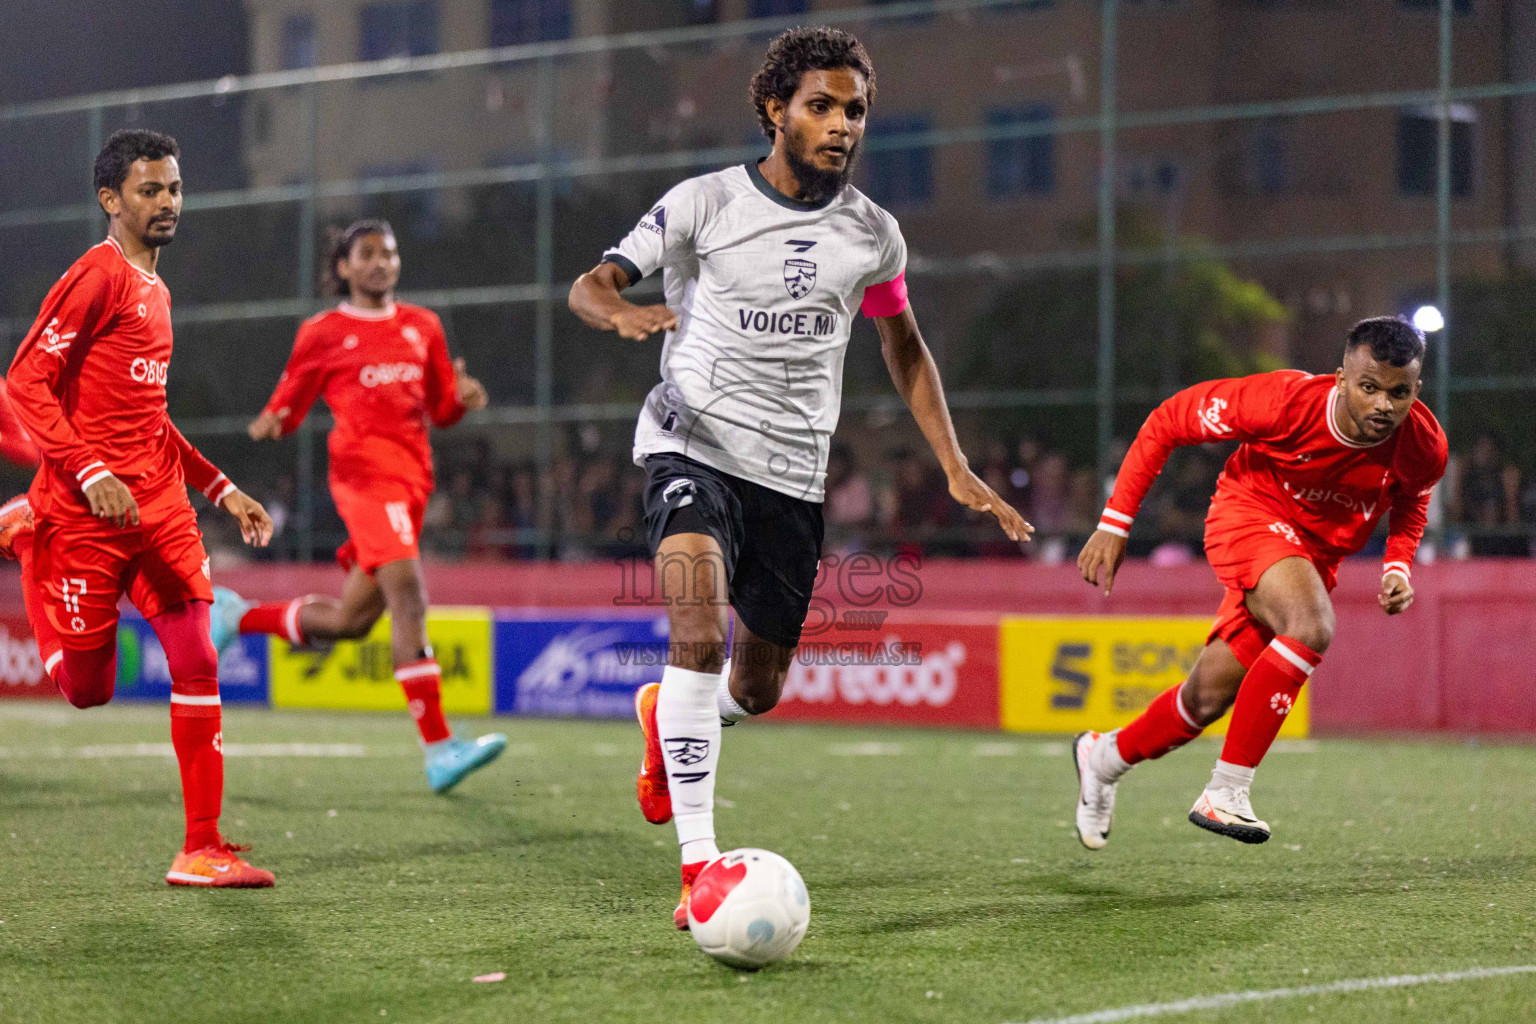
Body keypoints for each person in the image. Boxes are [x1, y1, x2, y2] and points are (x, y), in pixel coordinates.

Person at [568, 26, 1031, 929]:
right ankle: (698, 869)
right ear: (776, 109)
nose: (842, 124)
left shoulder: (872, 235)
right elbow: (591, 283)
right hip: (688, 445)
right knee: (697, 633)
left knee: (756, 687)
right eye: (821, 105)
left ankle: (671, 718)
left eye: (854, 109)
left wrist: (957, 465)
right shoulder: (701, 203)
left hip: (792, 480)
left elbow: (904, 346)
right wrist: (621, 312)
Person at [2, 129, 277, 886]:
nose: (167, 202)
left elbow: (147, 417)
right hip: (85, 520)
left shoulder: (156, 290)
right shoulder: (97, 276)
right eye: (150, 190)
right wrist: (88, 471)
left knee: (197, 656)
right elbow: (23, 382)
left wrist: (221, 488)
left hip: (158, 510)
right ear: (111, 200)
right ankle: (26, 539)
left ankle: (201, 846)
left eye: (175, 188)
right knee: (88, 692)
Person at [1072, 317, 1446, 848]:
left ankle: (1103, 757)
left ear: (1416, 388)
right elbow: (1168, 421)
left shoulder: (1424, 444)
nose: (1383, 405)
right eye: (1369, 387)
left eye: (1398, 392)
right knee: (1311, 625)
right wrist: (1115, 523)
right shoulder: (1282, 402)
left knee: (1204, 699)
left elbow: (1413, 497)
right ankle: (1226, 791)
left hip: (1313, 556)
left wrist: (1397, 564)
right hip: (1248, 514)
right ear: (1341, 378)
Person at [219, 220, 507, 794]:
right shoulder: (324, 331)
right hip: (363, 480)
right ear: (345, 267)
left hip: (412, 481)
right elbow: (291, 404)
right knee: (410, 593)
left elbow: (440, 407)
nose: (380, 262)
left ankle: (236, 617)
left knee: (353, 623)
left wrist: (462, 399)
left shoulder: (423, 326)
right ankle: (439, 747)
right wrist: (274, 420)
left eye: (389, 253)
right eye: (367, 254)